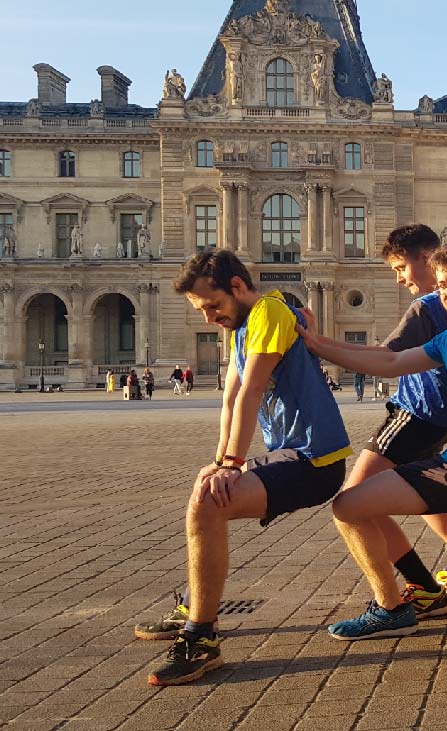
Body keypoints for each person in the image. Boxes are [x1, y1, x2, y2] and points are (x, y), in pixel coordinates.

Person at [293, 244, 447, 680]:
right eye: (443, 285)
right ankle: (392, 607)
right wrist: (315, 344)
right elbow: (390, 361)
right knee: (348, 506)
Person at [135, 250, 350, 686]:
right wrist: (219, 462)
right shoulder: (240, 329)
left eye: (212, 305)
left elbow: (252, 392)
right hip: (292, 453)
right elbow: (230, 398)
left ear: (237, 286)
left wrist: (232, 465)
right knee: (207, 486)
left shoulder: (270, 310)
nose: (210, 316)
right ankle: (198, 605)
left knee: (208, 504)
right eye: (202, 311)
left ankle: (200, 636)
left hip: (316, 459)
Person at [287, 224, 447, 623]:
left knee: (355, 500)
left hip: (414, 414)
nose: (400, 278)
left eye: (401, 267)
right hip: (446, 419)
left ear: (426, 258)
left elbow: (384, 358)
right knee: (425, 497)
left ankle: (422, 588)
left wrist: (318, 345)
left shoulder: (427, 307)